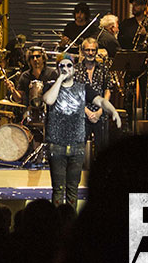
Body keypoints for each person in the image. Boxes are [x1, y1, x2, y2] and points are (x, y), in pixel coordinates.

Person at [43, 56, 115, 206]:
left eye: (69, 66)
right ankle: (58, 223)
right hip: (57, 145)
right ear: (57, 69)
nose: (66, 69)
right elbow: (49, 100)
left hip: (77, 145)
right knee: (58, 189)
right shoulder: (51, 86)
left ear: (74, 68)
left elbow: (100, 100)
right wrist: (59, 79)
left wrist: (112, 110)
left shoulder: (83, 88)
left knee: (72, 190)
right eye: (61, 66)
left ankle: (70, 221)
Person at [77, 39, 119, 159]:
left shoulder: (103, 68)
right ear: (82, 51)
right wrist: (88, 112)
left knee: (103, 150)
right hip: (82, 114)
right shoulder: (75, 69)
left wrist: (100, 110)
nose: (90, 53)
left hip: (101, 113)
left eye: (93, 50)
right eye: (87, 50)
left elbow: (107, 90)